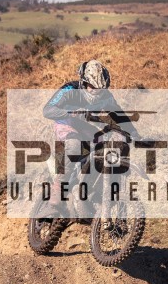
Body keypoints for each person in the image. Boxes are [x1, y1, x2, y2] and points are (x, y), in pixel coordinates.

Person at [38, 60, 112, 215]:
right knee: (74, 145)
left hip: (86, 128)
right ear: (83, 82)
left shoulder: (106, 96)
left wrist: (132, 134)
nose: (95, 92)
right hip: (66, 122)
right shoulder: (69, 89)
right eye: (92, 87)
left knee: (108, 151)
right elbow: (48, 110)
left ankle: (93, 193)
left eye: (100, 89)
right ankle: (59, 187)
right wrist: (71, 112)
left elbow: (119, 117)